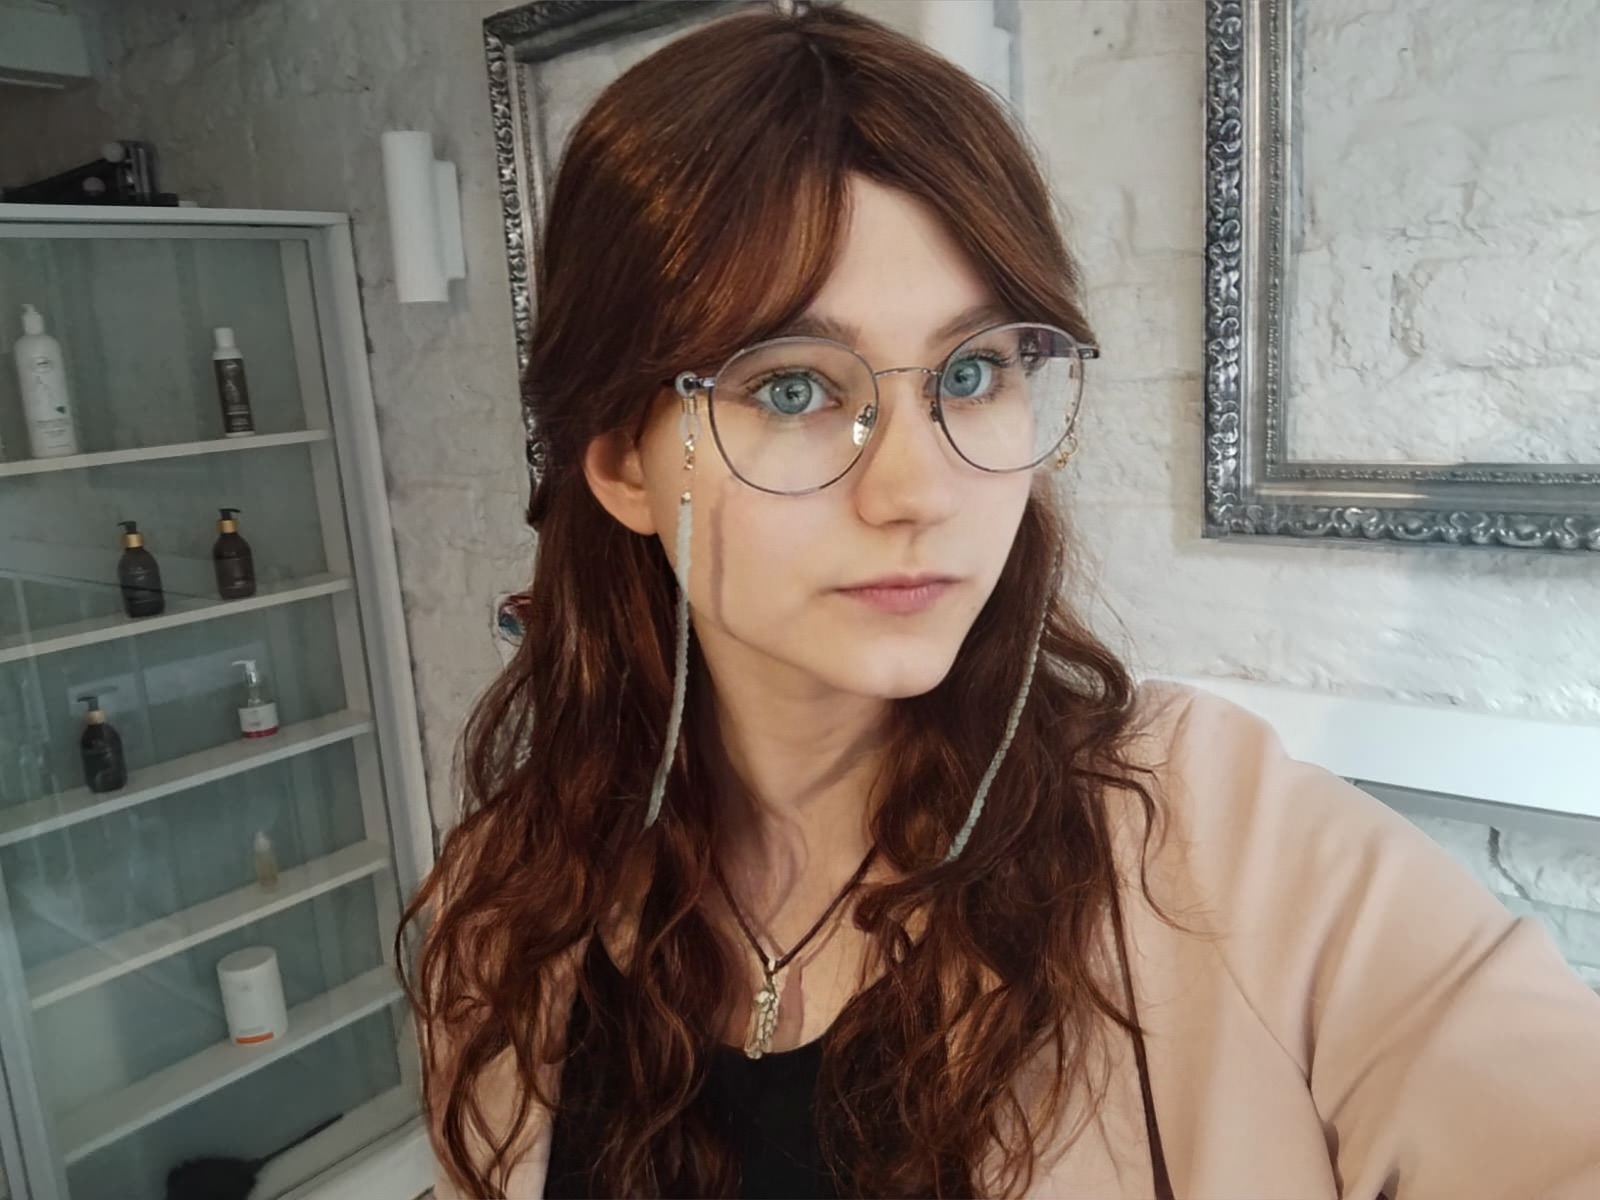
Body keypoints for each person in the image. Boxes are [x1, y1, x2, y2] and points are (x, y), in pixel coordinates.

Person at [399, 5, 1600, 1198]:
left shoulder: (1212, 840)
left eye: (972, 373)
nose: (918, 491)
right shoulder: (507, 907)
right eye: (793, 388)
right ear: (622, 462)